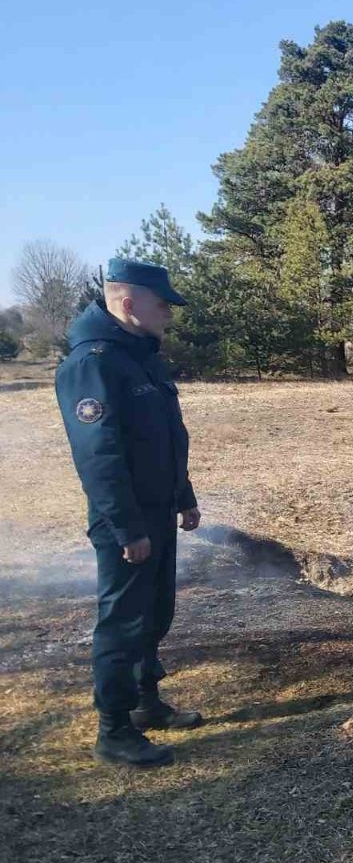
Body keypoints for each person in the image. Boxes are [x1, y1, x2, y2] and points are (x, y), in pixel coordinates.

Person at [55, 258, 204, 768]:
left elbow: (164, 438)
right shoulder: (93, 362)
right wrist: (127, 527)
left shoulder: (140, 356)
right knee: (122, 622)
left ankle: (146, 704)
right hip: (127, 522)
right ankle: (113, 730)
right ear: (128, 302)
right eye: (162, 304)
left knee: (156, 613)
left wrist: (183, 495)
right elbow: (99, 456)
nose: (168, 313)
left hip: (159, 511)